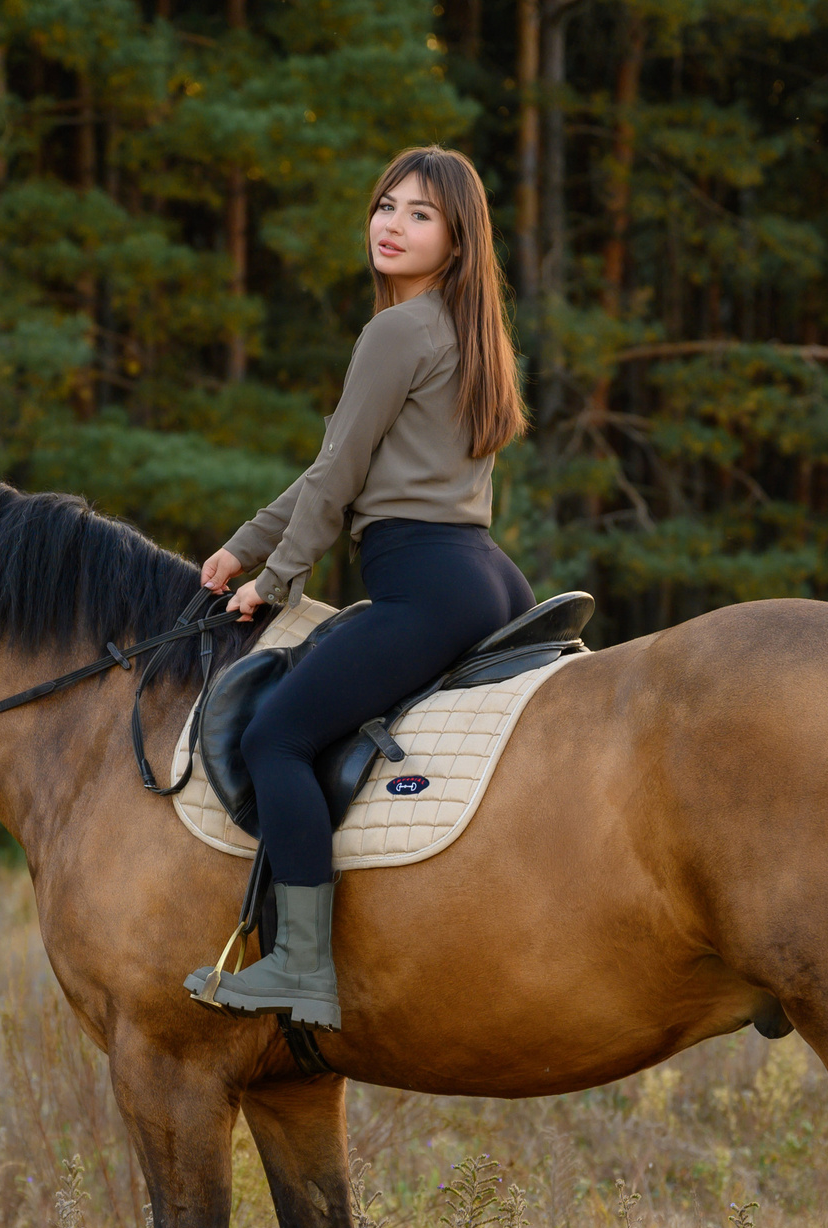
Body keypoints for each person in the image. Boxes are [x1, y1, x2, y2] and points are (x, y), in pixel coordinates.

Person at [185, 144, 533, 1031]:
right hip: (487, 574)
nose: (393, 224)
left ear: (455, 241)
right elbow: (331, 470)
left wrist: (276, 580)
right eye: (387, 204)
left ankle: (302, 966)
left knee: (275, 738)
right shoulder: (467, 329)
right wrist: (242, 546)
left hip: (423, 578)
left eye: (421, 215)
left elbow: (338, 476)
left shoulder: (395, 330)